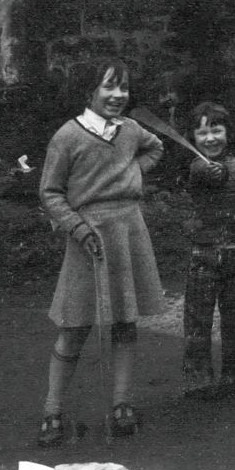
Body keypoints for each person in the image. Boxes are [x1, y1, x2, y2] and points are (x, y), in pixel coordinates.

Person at [36, 58, 167, 447]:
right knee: (75, 326)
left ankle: (122, 404)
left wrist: (132, 172)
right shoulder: (67, 136)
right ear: (88, 91)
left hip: (128, 231)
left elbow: (156, 147)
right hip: (88, 238)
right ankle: (52, 410)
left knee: (125, 321)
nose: (118, 95)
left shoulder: (130, 130)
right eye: (109, 86)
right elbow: (50, 192)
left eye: (124, 87)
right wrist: (77, 227)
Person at [179, 101, 235, 400]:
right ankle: (197, 378)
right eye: (202, 133)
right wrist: (210, 170)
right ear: (193, 138)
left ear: (228, 132)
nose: (210, 138)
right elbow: (207, 174)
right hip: (204, 254)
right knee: (198, 319)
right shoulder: (197, 166)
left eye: (216, 130)